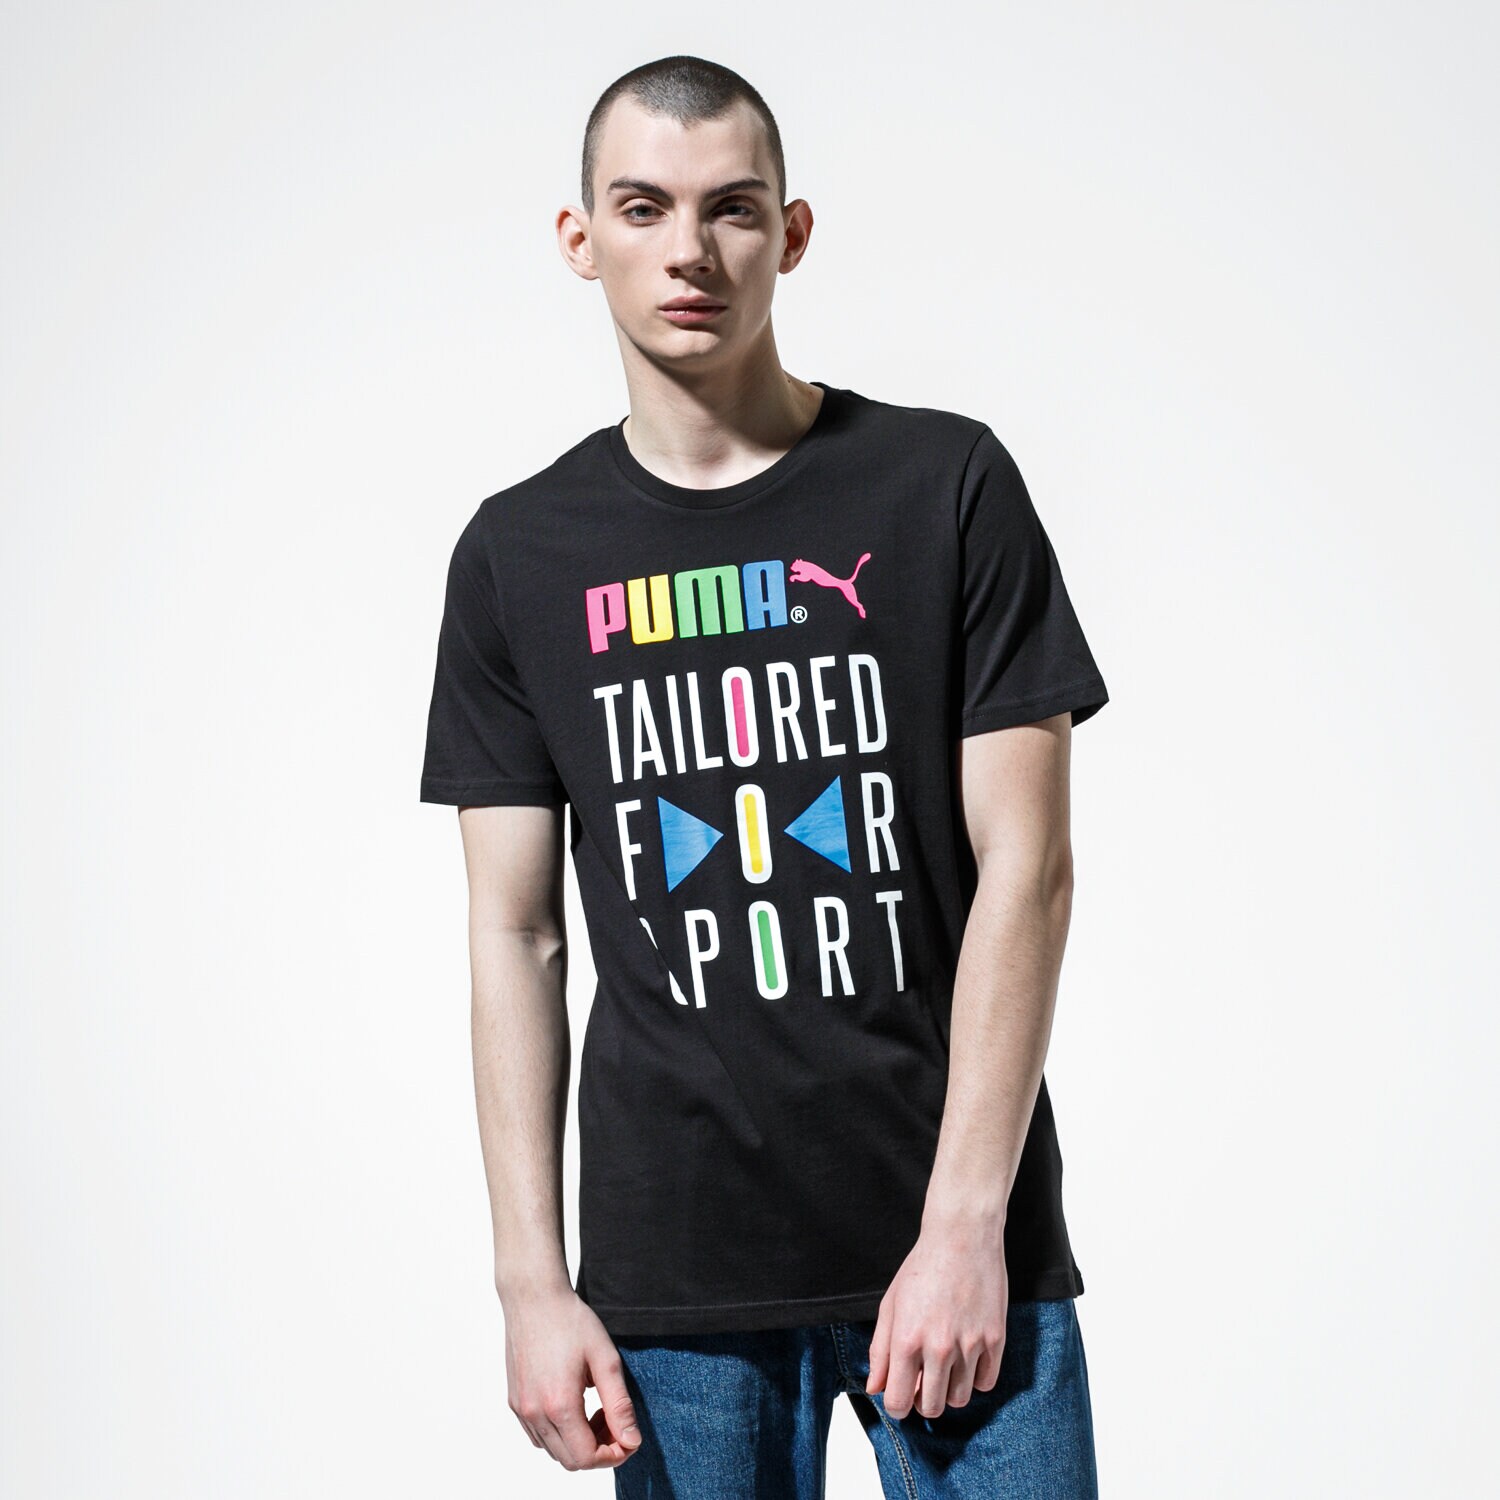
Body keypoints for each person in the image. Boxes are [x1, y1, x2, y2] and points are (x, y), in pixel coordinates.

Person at [419, 54, 1109, 1499]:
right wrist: (530, 1283)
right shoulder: (517, 555)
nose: (689, 250)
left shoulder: (944, 485)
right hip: (675, 1278)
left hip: (954, 1243)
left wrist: (966, 1223)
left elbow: (1029, 872)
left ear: (790, 234)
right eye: (643, 208)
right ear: (580, 238)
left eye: (732, 208)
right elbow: (514, 930)